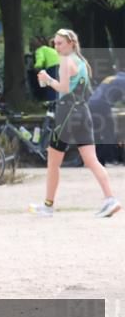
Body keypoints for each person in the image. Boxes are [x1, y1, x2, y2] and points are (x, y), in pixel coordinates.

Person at [30, 29, 120, 218]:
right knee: (92, 160)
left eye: (60, 43)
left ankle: (48, 206)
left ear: (71, 44)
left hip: (67, 114)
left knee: (53, 162)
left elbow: (62, 87)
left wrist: (47, 80)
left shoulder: (65, 61)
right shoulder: (82, 63)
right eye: (55, 43)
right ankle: (110, 199)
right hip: (83, 113)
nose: (57, 46)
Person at [31, 36, 60, 102]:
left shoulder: (40, 50)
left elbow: (40, 59)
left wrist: (36, 67)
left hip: (53, 67)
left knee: (51, 86)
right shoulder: (51, 50)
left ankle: (52, 103)